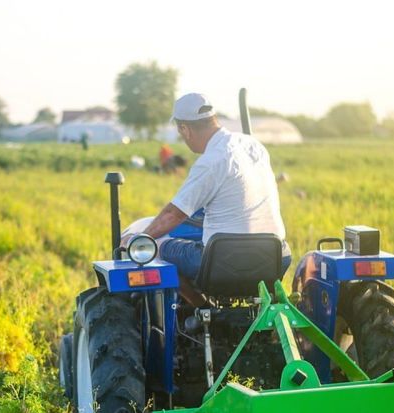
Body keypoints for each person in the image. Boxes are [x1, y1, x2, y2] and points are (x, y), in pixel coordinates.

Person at [122, 93, 290, 306]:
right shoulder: (253, 145)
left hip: (222, 262)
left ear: (185, 129)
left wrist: (138, 239)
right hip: (276, 256)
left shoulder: (211, 160)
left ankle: (201, 306)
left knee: (155, 246)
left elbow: (174, 214)